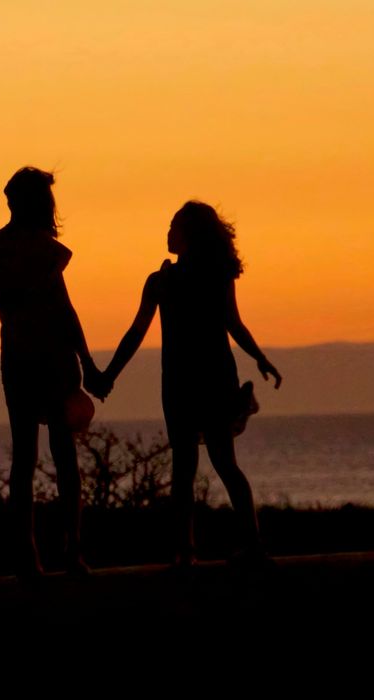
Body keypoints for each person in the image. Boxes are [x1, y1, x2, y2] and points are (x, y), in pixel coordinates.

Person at [99, 201, 282, 567]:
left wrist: (260, 356)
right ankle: (208, 546)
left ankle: (200, 549)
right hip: (197, 379)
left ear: (189, 235)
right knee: (210, 464)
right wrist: (110, 374)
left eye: (173, 227)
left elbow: (231, 323)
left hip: (196, 380)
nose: (167, 233)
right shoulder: (168, 280)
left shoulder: (177, 279)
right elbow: (138, 333)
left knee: (197, 465)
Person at [0, 167, 103, 578]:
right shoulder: (47, 250)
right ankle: (72, 550)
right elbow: (64, 312)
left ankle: (29, 553)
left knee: (25, 457)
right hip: (53, 358)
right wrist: (88, 362)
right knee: (64, 455)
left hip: (16, 358)